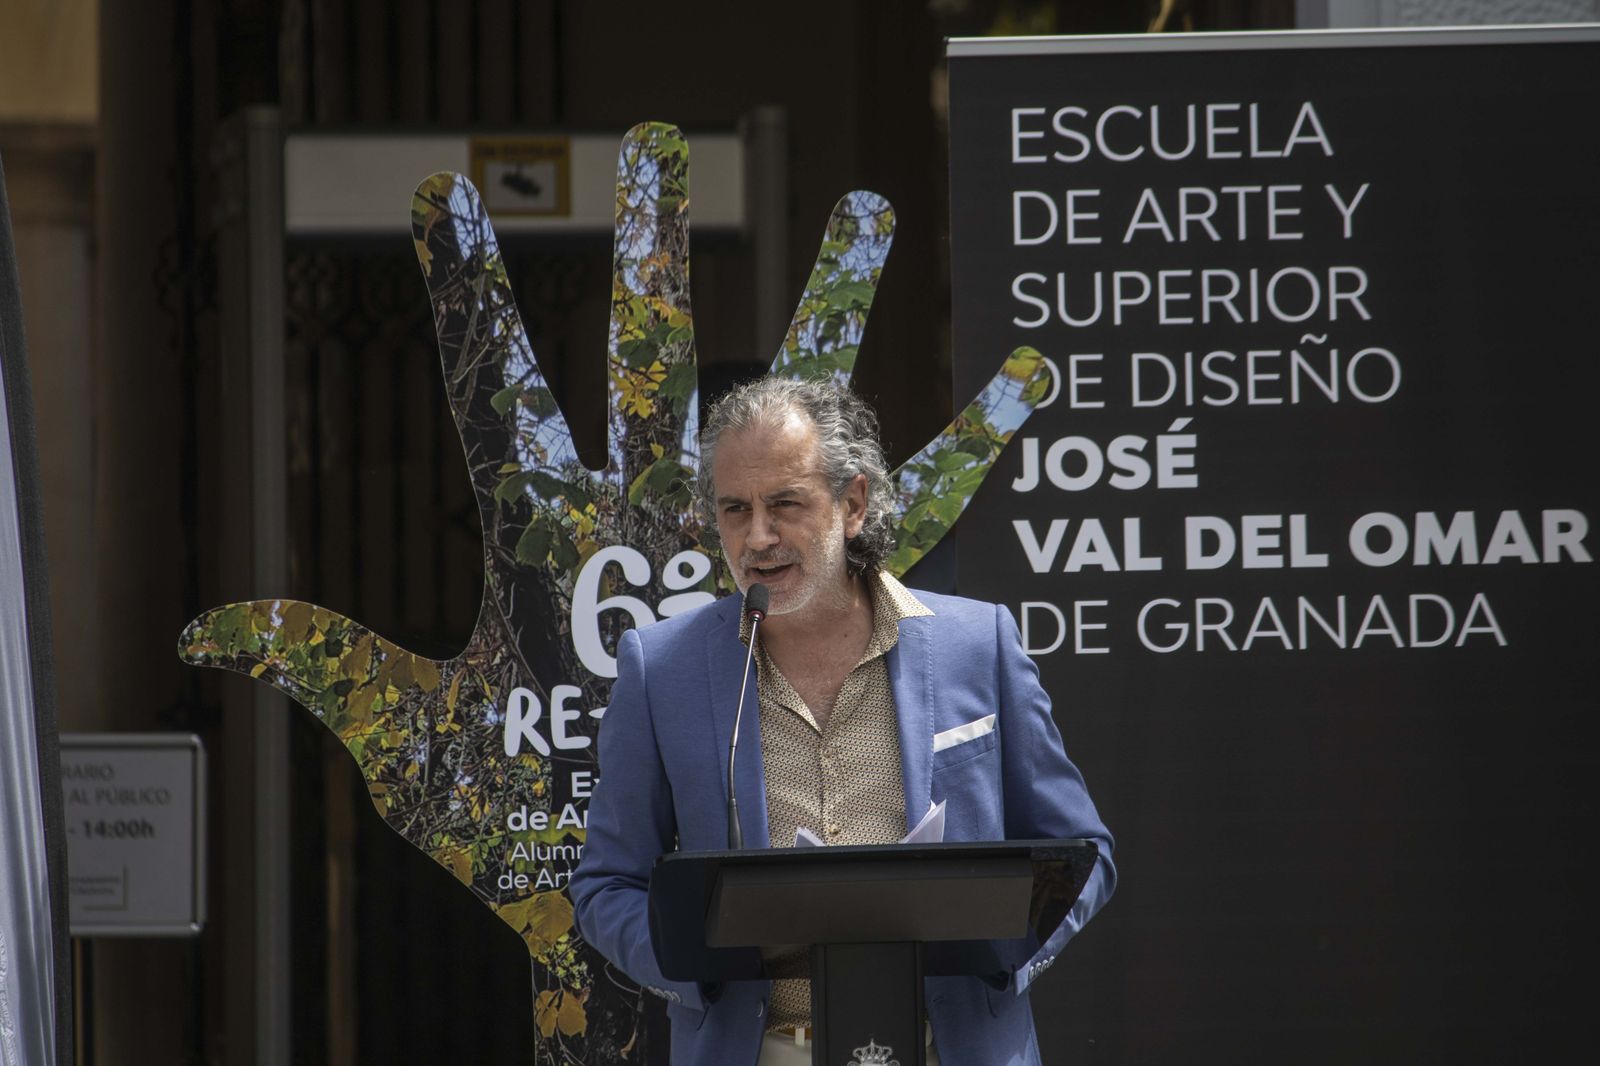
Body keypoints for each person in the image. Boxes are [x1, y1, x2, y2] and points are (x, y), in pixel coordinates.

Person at [570, 377, 1115, 1065]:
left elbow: (1081, 855)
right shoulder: (661, 670)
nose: (757, 537)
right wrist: (695, 964)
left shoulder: (979, 645)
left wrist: (1002, 959)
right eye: (735, 509)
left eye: (785, 504)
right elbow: (606, 885)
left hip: (952, 1047)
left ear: (853, 504)